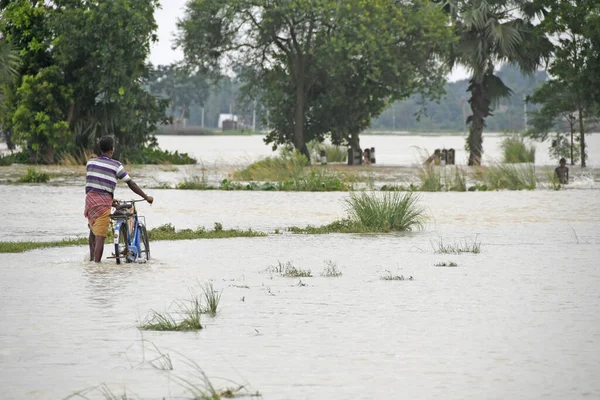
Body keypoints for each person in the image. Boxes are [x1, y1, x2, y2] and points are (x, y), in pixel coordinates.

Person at [84, 136, 153, 262]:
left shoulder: (90, 162)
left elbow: (94, 184)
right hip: (103, 203)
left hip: (90, 201)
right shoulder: (116, 165)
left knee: (92, 230)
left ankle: (90, 261)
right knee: (100, 237)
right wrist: (146, 197)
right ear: (112, 149)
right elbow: (130, 183)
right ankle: (96, 266)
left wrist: (111, 198)